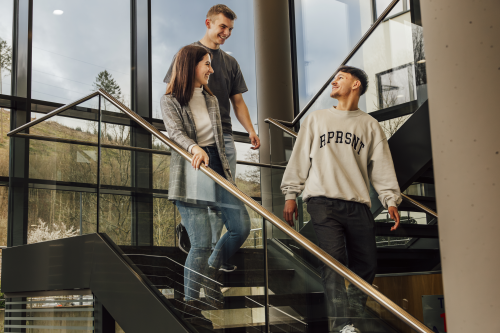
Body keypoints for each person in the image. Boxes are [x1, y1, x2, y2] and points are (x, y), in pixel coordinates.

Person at [281, 66, 402, 333]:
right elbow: (299, 158)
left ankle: (354, 318)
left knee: (367, 263)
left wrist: (390, 199)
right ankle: (341, 324)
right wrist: (291, 193)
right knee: (333, 261)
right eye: (334, 78)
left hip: (357, 204)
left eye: (341, 78)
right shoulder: (316, 120)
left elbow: (381, 166)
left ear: (356, 84)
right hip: (322, 202)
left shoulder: (369, 125)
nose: (333, 81)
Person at [165, 4, 260, 272]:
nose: (227, 32)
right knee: (200, 194)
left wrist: (251, 129)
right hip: (194, 140)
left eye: (230, 29)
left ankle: (213, 255)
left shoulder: (229, 63)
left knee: (223, 195)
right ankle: (193, 233)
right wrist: (191, 143)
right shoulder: (188, 55)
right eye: (222, 27)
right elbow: (174, 93)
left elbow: (238, 101)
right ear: (209, 23)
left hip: (223, 136)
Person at [161, 45, 251, 310]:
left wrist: (228, 171)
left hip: (217, 168)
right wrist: (194, 147)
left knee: (241, 226)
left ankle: (212, 269)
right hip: (190, 168)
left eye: (211, 64)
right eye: (207, 64)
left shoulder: (211, 100)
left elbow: (220, 141)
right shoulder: (170, 100)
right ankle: (191, 305)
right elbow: (175, 132)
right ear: (191, 66)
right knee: (200, 243)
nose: (211, 70)